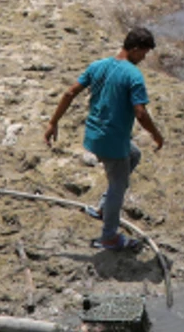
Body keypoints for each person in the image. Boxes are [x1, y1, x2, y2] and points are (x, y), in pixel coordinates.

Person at [43, 27, 165, 253]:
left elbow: (70, 93)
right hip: (112, 142)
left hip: (93, 135)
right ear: (135, 50)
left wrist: (53, 122)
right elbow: (140, 113)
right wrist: (156, 135)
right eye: (144, 54)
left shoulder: (98, 65)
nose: (144, 58)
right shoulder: (133, 75)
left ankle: (102, 208)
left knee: (134, 154)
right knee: (119, 186)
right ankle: (109, 236)